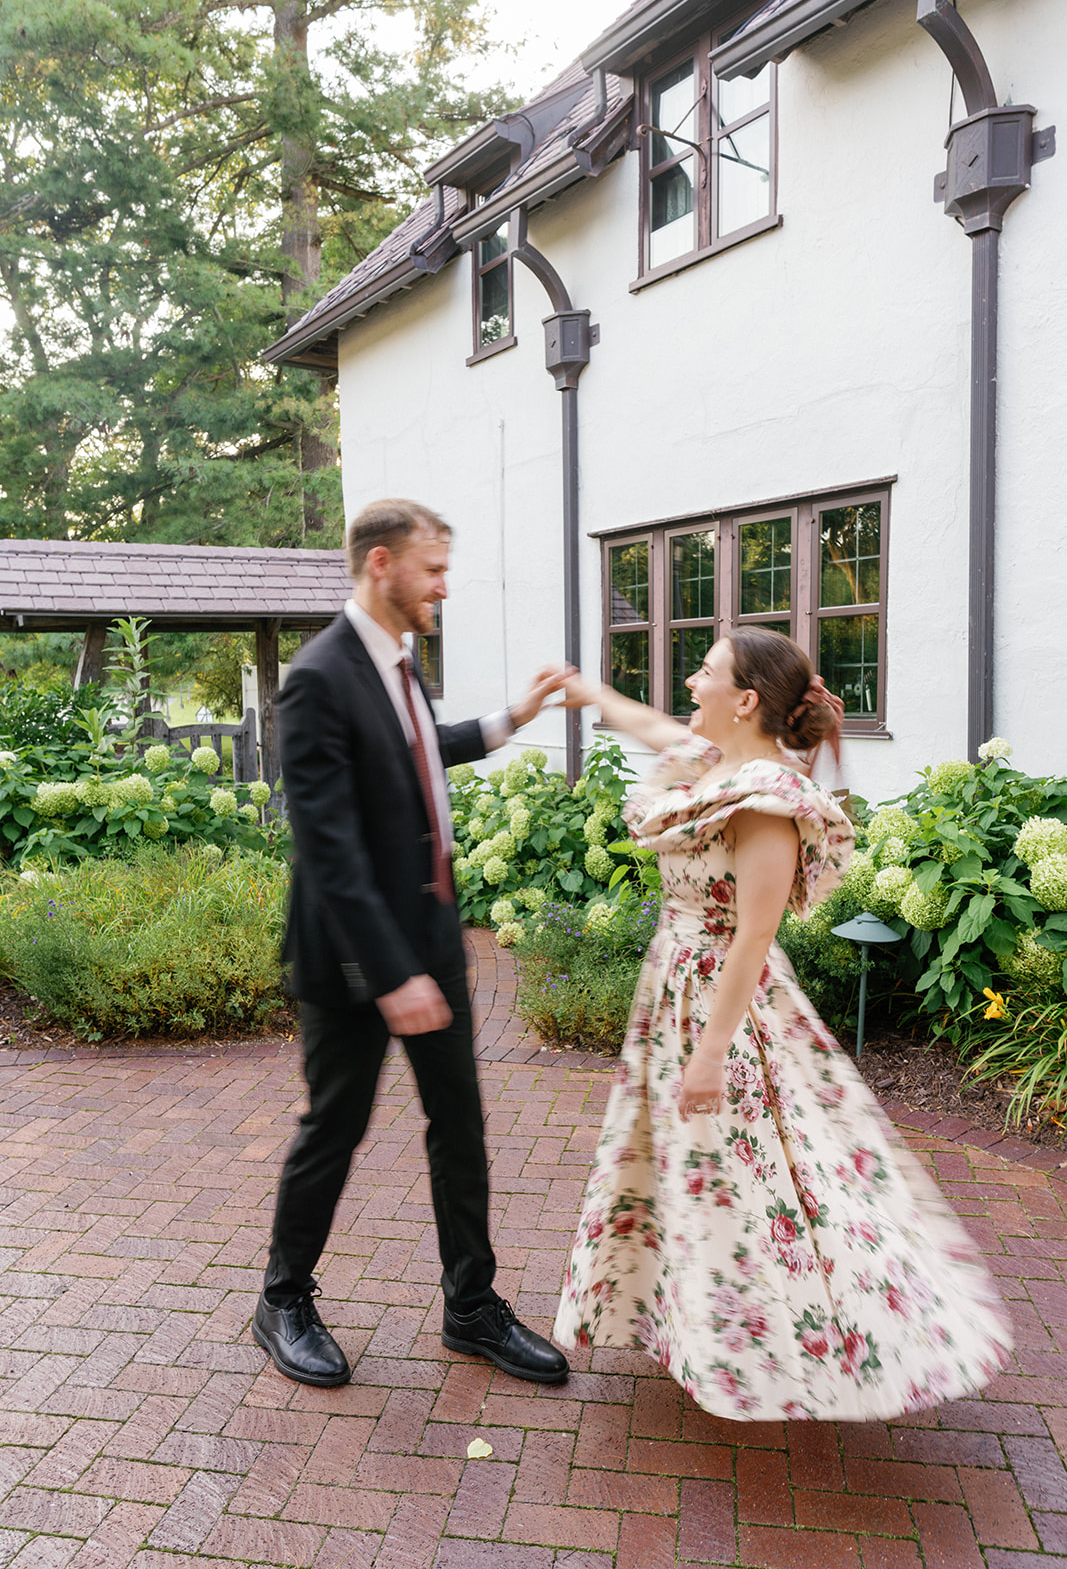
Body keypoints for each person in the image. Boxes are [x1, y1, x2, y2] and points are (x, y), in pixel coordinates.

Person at [553, 630, 1011, 1420]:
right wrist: (587, 695)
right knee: (689, 1166)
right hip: (676, 991)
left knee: (767, 1172)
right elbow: (651, 725)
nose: (690, 683)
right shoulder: (709, 762)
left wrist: (707, 1056)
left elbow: (754, 937)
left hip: (727, 1010)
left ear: (745, 700)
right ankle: (701, 1329)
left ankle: (825, 1339)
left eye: (705, 671)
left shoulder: (765, 800)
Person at [253, 499, 569, 1389]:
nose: (443, 587)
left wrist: (515, 715)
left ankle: (471, 1309)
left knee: (459, 1127)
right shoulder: (319, 676)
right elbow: (327, 844)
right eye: (432, 570)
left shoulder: (401, 661)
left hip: (429, 940)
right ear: (381, 563)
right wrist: (390, 974)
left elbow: (420, 753)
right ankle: (282, 1299)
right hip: (354, 959)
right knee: (335, 1127)